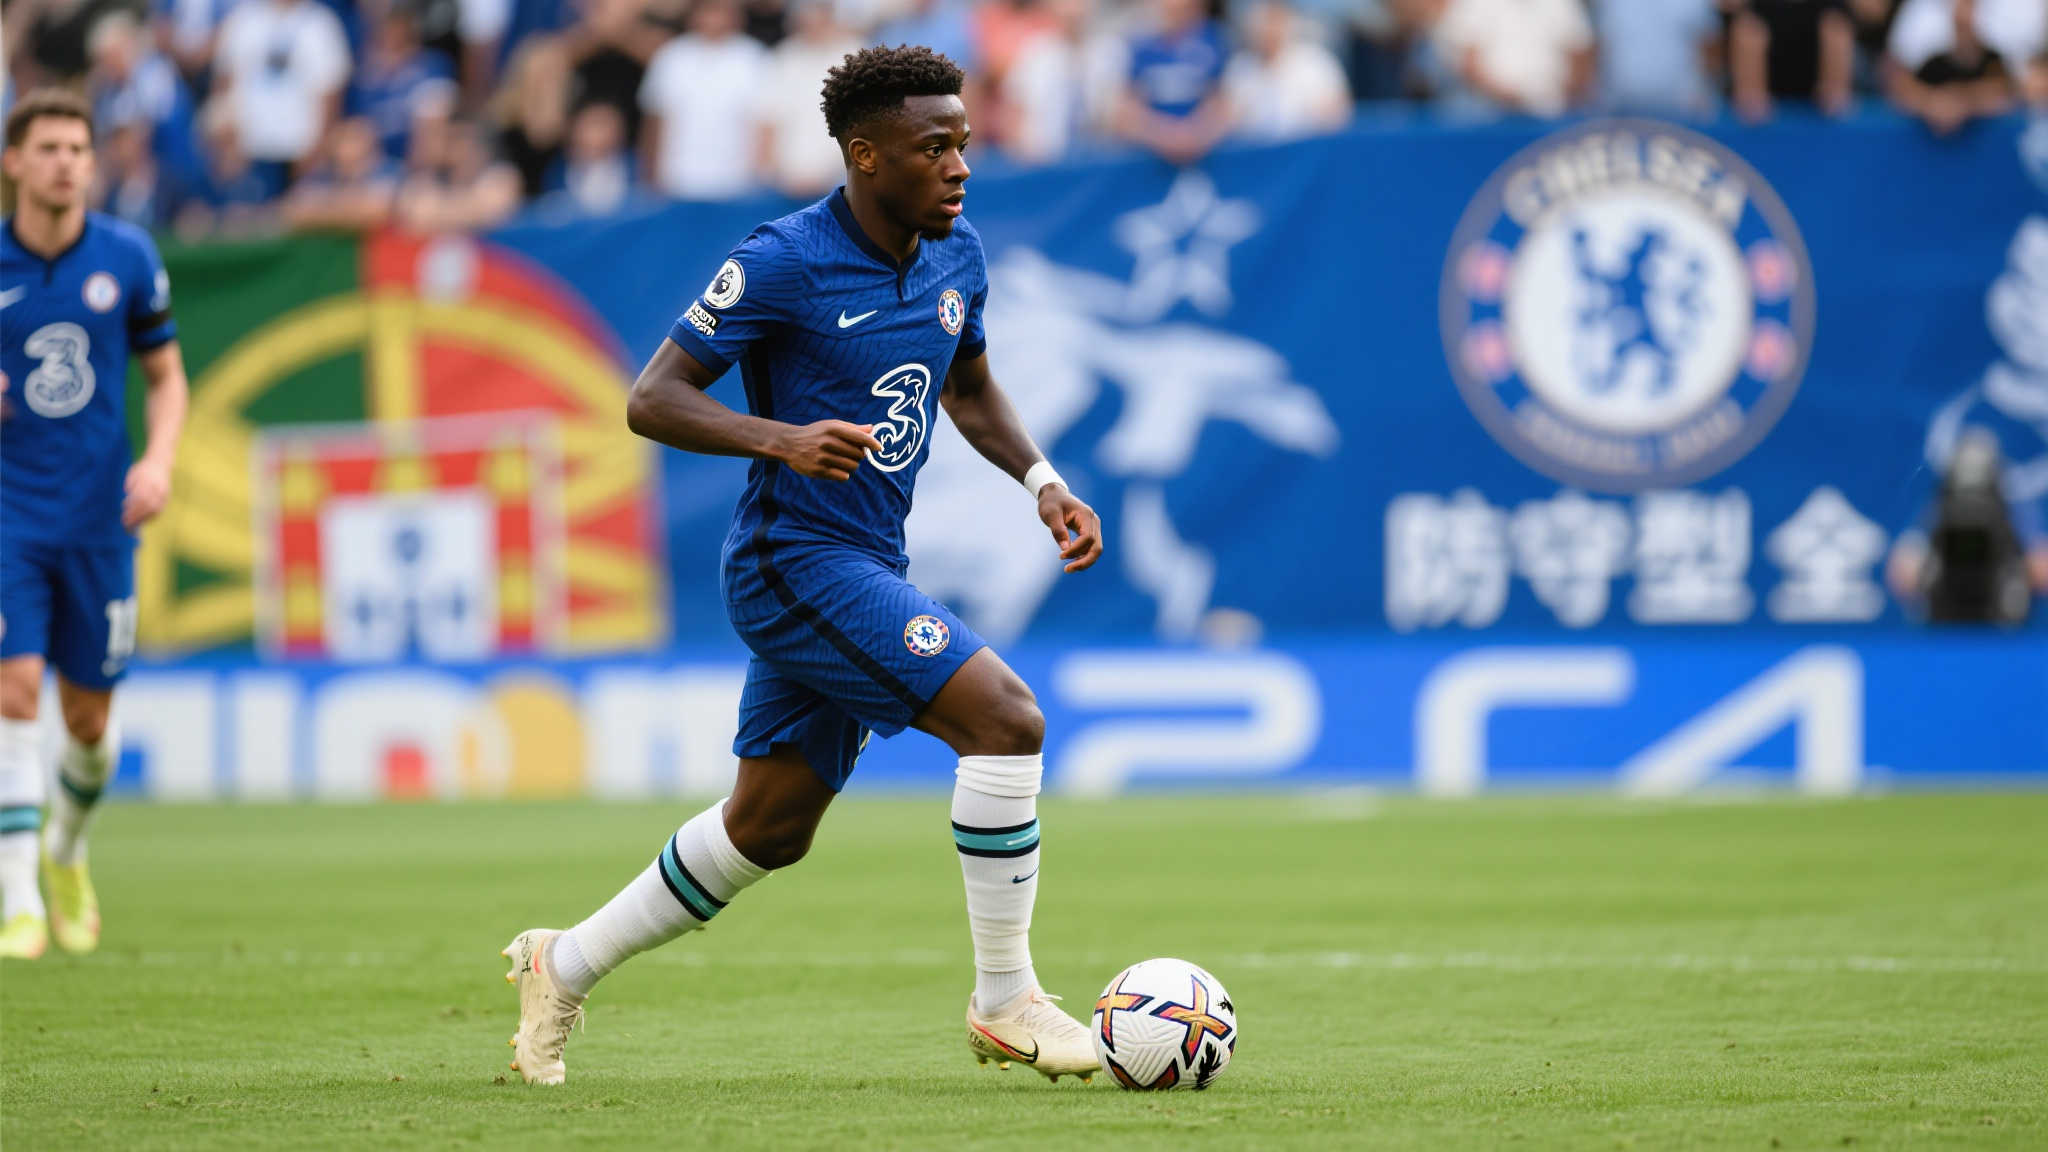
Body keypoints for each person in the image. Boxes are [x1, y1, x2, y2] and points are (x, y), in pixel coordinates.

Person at [499, 44, 1105, 1086]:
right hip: (793, 560)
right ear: (866, 156)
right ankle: (1006, 1000)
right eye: (934, 147)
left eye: (963, 143)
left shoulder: (955, 254)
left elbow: (967, 390)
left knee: (769, 828)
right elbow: (651, 398)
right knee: (1006, 720)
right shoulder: (783, 259)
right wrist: (779, 438)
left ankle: (563, 965)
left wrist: (1041, 479)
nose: (960, 166)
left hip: (869, 556)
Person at [0, 89, 190, 961]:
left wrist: (159, 462)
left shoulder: (127, 255)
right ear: (15, 162)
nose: (67, 163)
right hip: (9, 515)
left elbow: (166, 376)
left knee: (86, 721)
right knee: (14, 689)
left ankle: (67, 852)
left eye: (78, 148)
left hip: (99, 518)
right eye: (49, 148)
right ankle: (16, 901)